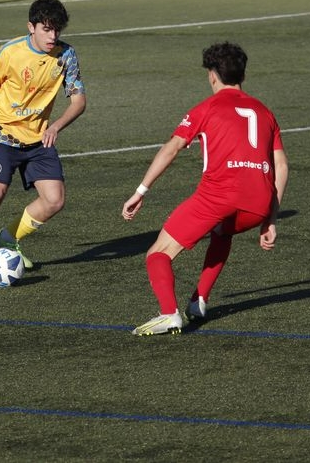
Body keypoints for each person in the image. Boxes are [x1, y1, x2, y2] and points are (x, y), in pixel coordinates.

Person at [122, 41, 289, 336]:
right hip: (258, 205)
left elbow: (172, 148)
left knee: (158, 253)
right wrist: (270, 219)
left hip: (218, 196)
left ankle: (168, 314)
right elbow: (282, 166)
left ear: (212, 75)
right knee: (222, 232)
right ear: (243, 76)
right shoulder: (265, 111)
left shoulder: (207, 108)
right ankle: (199, 301)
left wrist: (141, 191)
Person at [0, 0, 87, 284]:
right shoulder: (10, 52)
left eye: (57, 30)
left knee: (54, 200)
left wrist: (56, 126)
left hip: (38, 140)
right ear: (31, 27)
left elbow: (78, 101)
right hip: (1, 134)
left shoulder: (66, 55)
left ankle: (7, 237)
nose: (52, 36)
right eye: (46, 29)